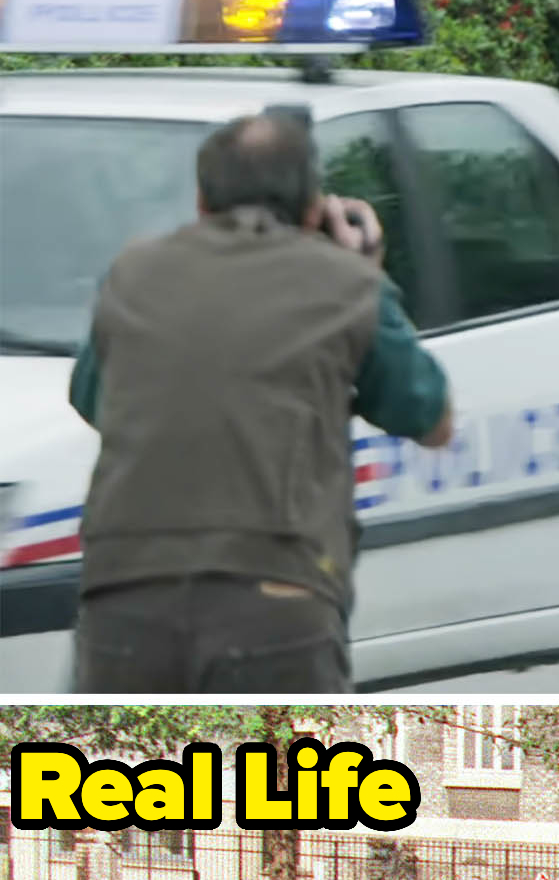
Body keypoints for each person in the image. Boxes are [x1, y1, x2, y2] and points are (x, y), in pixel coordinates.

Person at [66, 111, 452, 691]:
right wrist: (364, 271)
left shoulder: (130, 275)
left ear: (200, 200)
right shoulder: (346, 286)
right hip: (280, 600)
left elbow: (93, 401)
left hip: (124, 601)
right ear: (311, 209)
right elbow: (431, 418)